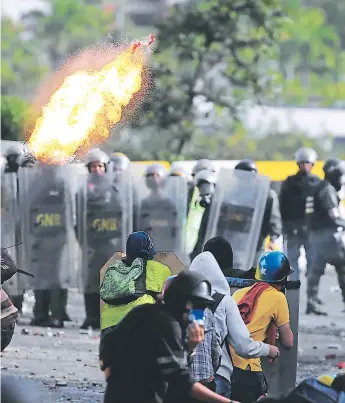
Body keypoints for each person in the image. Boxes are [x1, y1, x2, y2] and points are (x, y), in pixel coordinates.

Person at [100, 270, 239, 403]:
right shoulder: (168, 325)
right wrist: (228, 402)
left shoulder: (144, 311)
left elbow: (108, 341)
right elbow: (181, 381)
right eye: (197, 306)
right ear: (181, 301)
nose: (200, 314)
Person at [189, 251, 279, 398]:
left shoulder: (181, 301)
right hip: (217, 378)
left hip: (184, 381)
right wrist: (269, 349)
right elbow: (243, 346)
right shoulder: (224, 301)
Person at [230, 250, 294, 403]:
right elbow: (288, 342)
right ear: (283, 278)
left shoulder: (239, 294)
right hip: (249, 370)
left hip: (227, 369)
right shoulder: (278, 298)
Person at [100, 231, 171, 335]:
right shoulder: (160, 269)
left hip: (108, 325)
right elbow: (168, 299)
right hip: (140, 321)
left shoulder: (115, 268)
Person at [306, 159, 345, 315]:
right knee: (342, 267)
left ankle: (311, 302)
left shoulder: (319, 187)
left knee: (315, 270)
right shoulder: (328, 190)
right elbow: (334, 216)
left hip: (317, 236)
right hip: (329, 237)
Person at [279, 147, 320, 280]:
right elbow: (282, 205)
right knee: (292, 262)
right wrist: (285, 226)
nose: (305, 166)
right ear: (298, 164)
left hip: (311, 229)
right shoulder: (289, 183)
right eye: (302, 163)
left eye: (307, 163)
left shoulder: (317, 183)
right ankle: (293, 289)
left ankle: (312, 292)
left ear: (312, 164)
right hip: (293, 229)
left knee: (313, 262)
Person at [234, 160, 282, 264]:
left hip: (257, 242)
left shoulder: (266, 194)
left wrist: (272, 239)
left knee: (255, 273)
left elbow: (274, 219)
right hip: (234, 242)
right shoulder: (232, 194)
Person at [190, 169, 218, 260]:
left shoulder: (219, 209)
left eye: (206, 186)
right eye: (201, 187)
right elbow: (201, 236)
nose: (203, 190)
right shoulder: (199, 208)